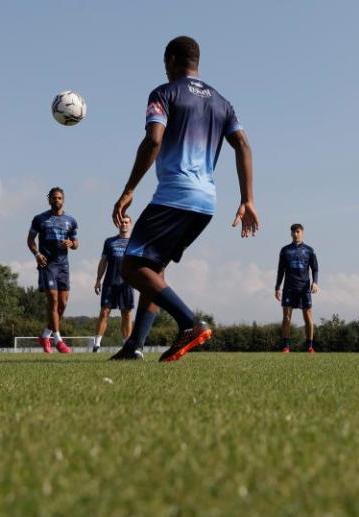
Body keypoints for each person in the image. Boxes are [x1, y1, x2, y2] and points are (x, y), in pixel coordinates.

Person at [110, 36, 258, 362]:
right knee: (155, 269)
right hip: (206, 202)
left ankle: (189, 322)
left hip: (175, 195)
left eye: (165, 63)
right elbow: (244, 145)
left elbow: (153, 141)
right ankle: (135, 345)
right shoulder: (222, 102)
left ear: (172, 59)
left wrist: (129, 189)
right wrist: (248, 199)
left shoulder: (165, 93)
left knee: (132, 266)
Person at [28, 187, 79, 354]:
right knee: (53, 301)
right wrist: (36, 253)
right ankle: (58, 340)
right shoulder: (40, 219)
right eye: (54, 198)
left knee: (62, 304)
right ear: (49, 199)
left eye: (59, 198)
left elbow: (76, 243)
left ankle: (45, 335)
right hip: (47, 265)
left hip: (63, 266)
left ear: (63, 200)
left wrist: (71, 244)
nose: (57, 200)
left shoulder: (70, 220)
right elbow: (30, 240)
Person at [93, 215, 134, 353]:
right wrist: (98, 280)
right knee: (104, 313)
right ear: (118, 224)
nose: (124, 224)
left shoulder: (135, 242)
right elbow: (103, 261)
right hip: (110, 283)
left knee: (126, 314)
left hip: (127, 284)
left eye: (126, 222)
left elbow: (139, 264)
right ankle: (96, 345)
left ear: (130, 224)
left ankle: (127, 345)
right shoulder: (109, 241)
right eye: (122, 222)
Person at [275, 224, 319, 353]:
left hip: (304, 288)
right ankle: (286, 346)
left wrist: (315, 283)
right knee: (286, 318)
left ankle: (310, 346)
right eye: (293, 232)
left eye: (298, 231)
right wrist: (277, 287)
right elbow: (280, 271)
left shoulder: (309, 250)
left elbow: (315, 268)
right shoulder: (285, 250)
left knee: (308, 318)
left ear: (302, 233)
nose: (295, 234)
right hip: (289, 288)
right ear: (291, 234)